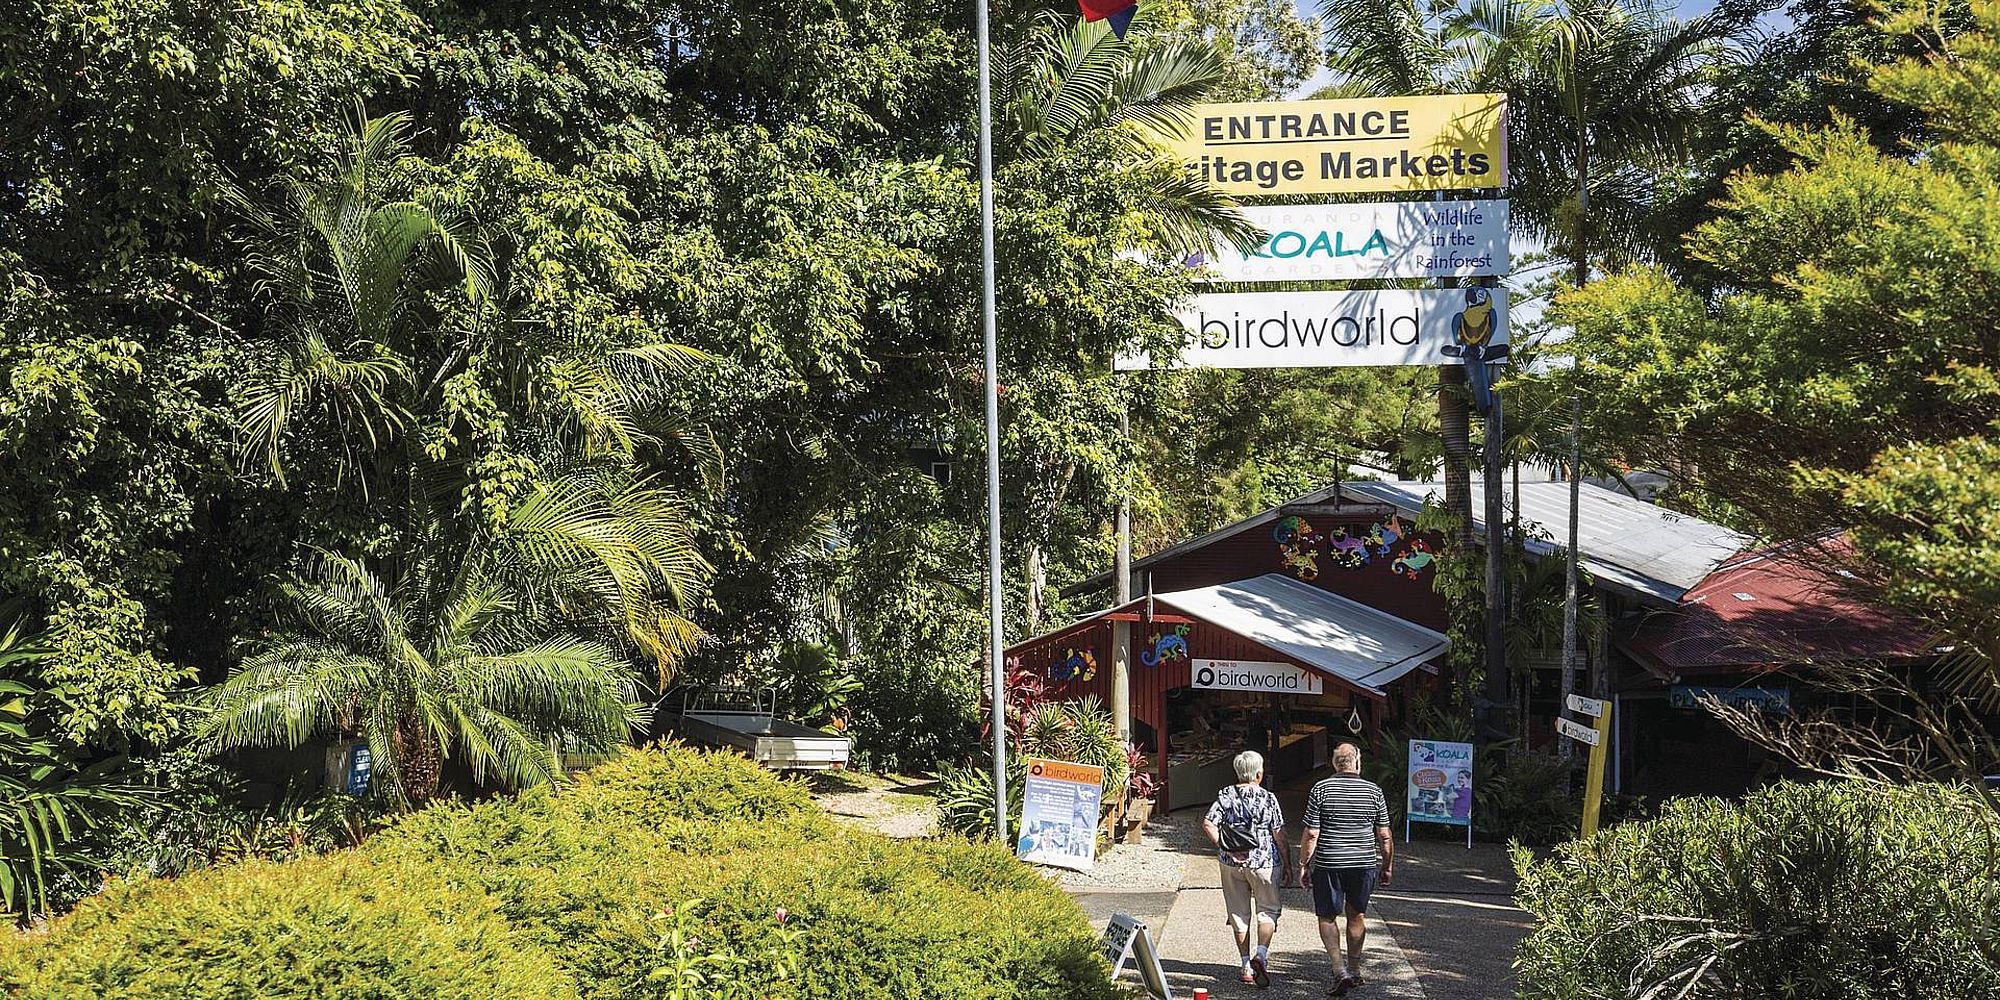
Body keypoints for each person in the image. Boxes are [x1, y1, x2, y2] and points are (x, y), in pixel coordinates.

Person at [1298, 742, 1393, 995]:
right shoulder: (1374, 791)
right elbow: (1384, 835)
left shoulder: (1322, 788)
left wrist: (1304, 864)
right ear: (1357, 761)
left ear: (1334, 762)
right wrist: (1387, 866)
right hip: (1363, 864)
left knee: (1327, 917)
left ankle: (1338, 969)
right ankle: (1355, 969)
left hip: (1329, 863)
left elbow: (1311, 833)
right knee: (1356, 915)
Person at [1203, 750, 1289, 989]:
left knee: (1238, 914)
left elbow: (1208, 823)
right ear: (1259, 774)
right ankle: (1260, 956)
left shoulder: (1226, 795)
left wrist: (1225, 846)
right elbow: (1279, 834)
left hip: (1231, 862)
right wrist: (1289, 863)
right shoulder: (1269, 798)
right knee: (1268, 911)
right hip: (1264, 862)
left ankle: (1244, 965)